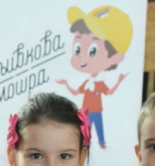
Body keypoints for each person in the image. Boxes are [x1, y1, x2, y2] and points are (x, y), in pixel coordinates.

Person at [56, 5, 133, 150]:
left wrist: (119, 80)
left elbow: (109, 92)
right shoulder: (87, 82)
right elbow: (76, 92)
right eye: (78, 48)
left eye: (92, 50)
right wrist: (65, 84)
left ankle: (101, 142)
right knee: (85, 132)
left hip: (97, 111)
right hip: (85, 113)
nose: (81, 57)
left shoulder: (98, 83)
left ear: (115, 58)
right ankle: (86, 145)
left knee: (99, 127)